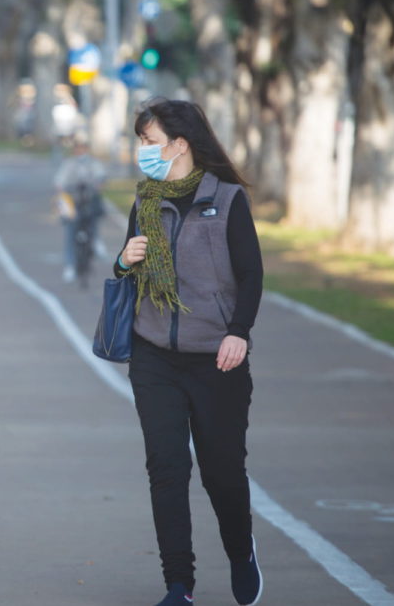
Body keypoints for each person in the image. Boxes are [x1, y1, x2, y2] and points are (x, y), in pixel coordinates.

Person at [113, 99, 264, 606]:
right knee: (168, 469)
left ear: (180, 144)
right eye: (140, 142)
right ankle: (179, 585)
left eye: (149, 141)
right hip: (154, 355)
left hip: (217, 358)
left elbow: (251, 274)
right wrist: (123, 259)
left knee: (222, 472)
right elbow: (127, 272)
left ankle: (242, 553)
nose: (143, 152)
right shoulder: (146, 201)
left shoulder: (227, 199)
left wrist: (238, 331)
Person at [53, 138, 106, 282]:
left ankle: (95, 241)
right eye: (78, 149)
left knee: (94, 213)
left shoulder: (94, 164)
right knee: (70, 230)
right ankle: (70, 266)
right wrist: (63, 190)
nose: (80, 152)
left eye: (83, 148)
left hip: (88, 199)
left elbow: (100, 177)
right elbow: (60, 181)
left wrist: (97, 185)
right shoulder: (68, 164)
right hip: (73, 201)